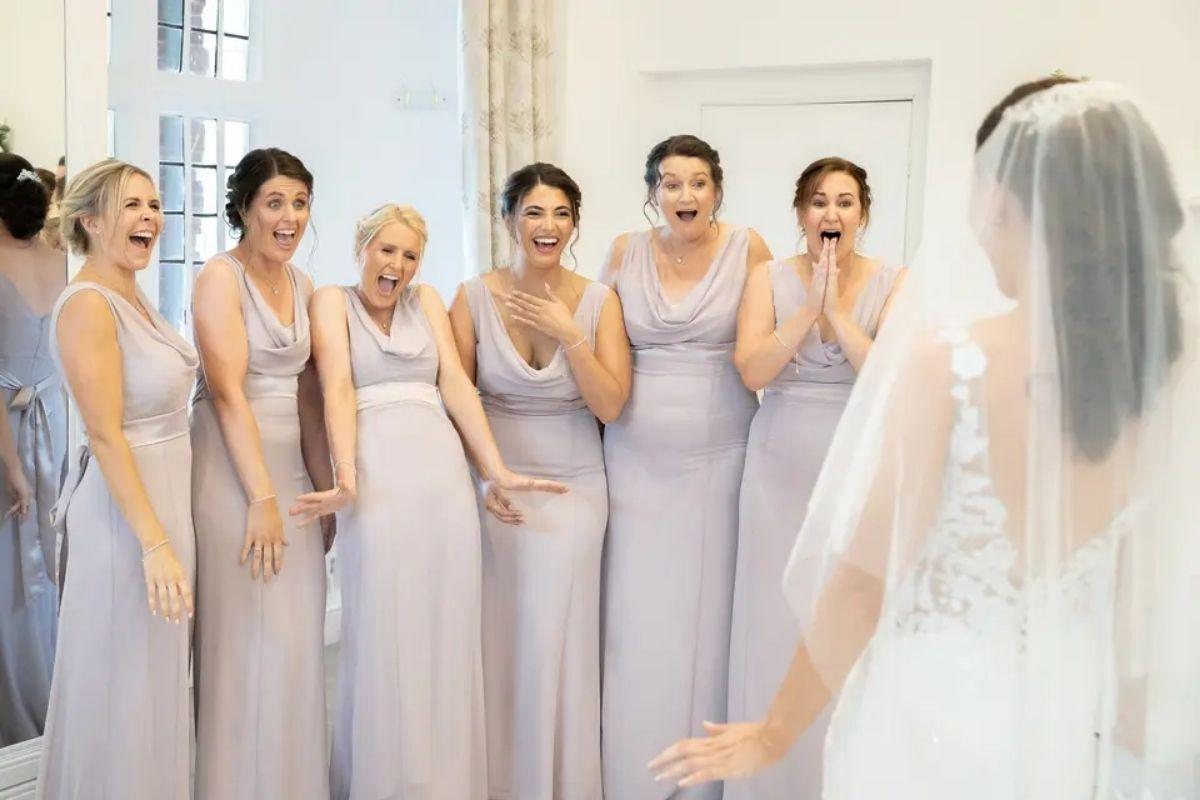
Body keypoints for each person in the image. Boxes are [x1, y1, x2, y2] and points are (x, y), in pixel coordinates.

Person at [650, 77, 1200, 800]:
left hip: (932, 721)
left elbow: (859, 582)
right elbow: (1140, 607)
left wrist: (773, 733)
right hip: (1062, 732)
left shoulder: (950, 362)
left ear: (1010, 203)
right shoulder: (1159, 381)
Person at [295, 202, 567, 799]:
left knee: (445, 626)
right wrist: (345, 477)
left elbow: (456, 387)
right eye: (386, 251)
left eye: (410, 255)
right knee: (382, 627)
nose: (397, 266)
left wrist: (494, 470)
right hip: (375, 479)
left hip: (442, 481)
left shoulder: (429, 302)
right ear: (362, 249)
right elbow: (336, 384)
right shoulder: (331, 302)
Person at [449, 163, 631, 799]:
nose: (547, 226)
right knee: (499, 639)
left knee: (556, 638)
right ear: (507, 220)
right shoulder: (472, 297)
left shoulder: (599, 302)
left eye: (560, 214)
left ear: (575, 224)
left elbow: (611, 406)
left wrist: (571, 336)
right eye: (533, 213)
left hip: (577, 489)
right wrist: (480, 480)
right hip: (498, 492)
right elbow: (455, 400)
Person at [725, 157, 904, 799]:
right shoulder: (766, 279)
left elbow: (890, 378)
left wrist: (839, 315)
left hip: (855, 462)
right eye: (819, 202)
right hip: (777, 464)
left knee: (842, 617)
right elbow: (752, 370)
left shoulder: (895, 281)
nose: (832, 214)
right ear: (801, 213)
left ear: (863, 214)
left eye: (846, 202)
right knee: (775, 617)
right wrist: (806, 313)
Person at [599, 134, 771, 799]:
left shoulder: (748, 248)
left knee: (709, 616)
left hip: (723, 457)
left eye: (697, 182)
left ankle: (703, 779)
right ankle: (633, 774)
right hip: (635, 459)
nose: (685, 195)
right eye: (670, 184)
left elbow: (765, 343)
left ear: (717, 190)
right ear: (652, 194)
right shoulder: (624, 251)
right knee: (639, 618)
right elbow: (598, 342)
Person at [38, 159, 197, 799]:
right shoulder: (87, 304)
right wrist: (153, 542)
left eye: (154, 205)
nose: (149, 218)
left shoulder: (133, 293)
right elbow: (105, 434)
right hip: (123, 518)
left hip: (163, 506)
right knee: (118, 682)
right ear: (91, 220)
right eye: (132, 206)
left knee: (153, 683)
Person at [191, 148, 331, 800]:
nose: (289, 217)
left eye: (299, 203)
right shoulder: (220, 278)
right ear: (244, 207)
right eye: (275, 203)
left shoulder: (303, 285)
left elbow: (309, 398)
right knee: (244, 641)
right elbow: (226, 395)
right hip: (233, 476)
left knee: (295, 644)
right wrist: (262, 497)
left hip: (290, 481)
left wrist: (320, 487)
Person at [0, 154, 65, 746]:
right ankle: (58, 697)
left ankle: (22, 712)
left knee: (14, 573)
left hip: (12, 435)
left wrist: (14, 470)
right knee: (52, 553)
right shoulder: (64, 259)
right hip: (60, 422)